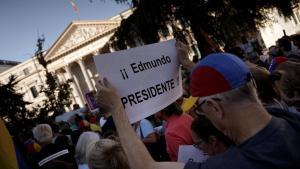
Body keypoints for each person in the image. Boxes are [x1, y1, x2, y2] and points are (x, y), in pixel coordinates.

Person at [96, 41, 300, 169]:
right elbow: (225, 81)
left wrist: (117, 110)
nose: (200, 113)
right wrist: (187, 64)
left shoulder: (233, 164)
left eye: (201, 108)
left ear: (216, 108)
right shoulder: (287, 119)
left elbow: (145, 166)